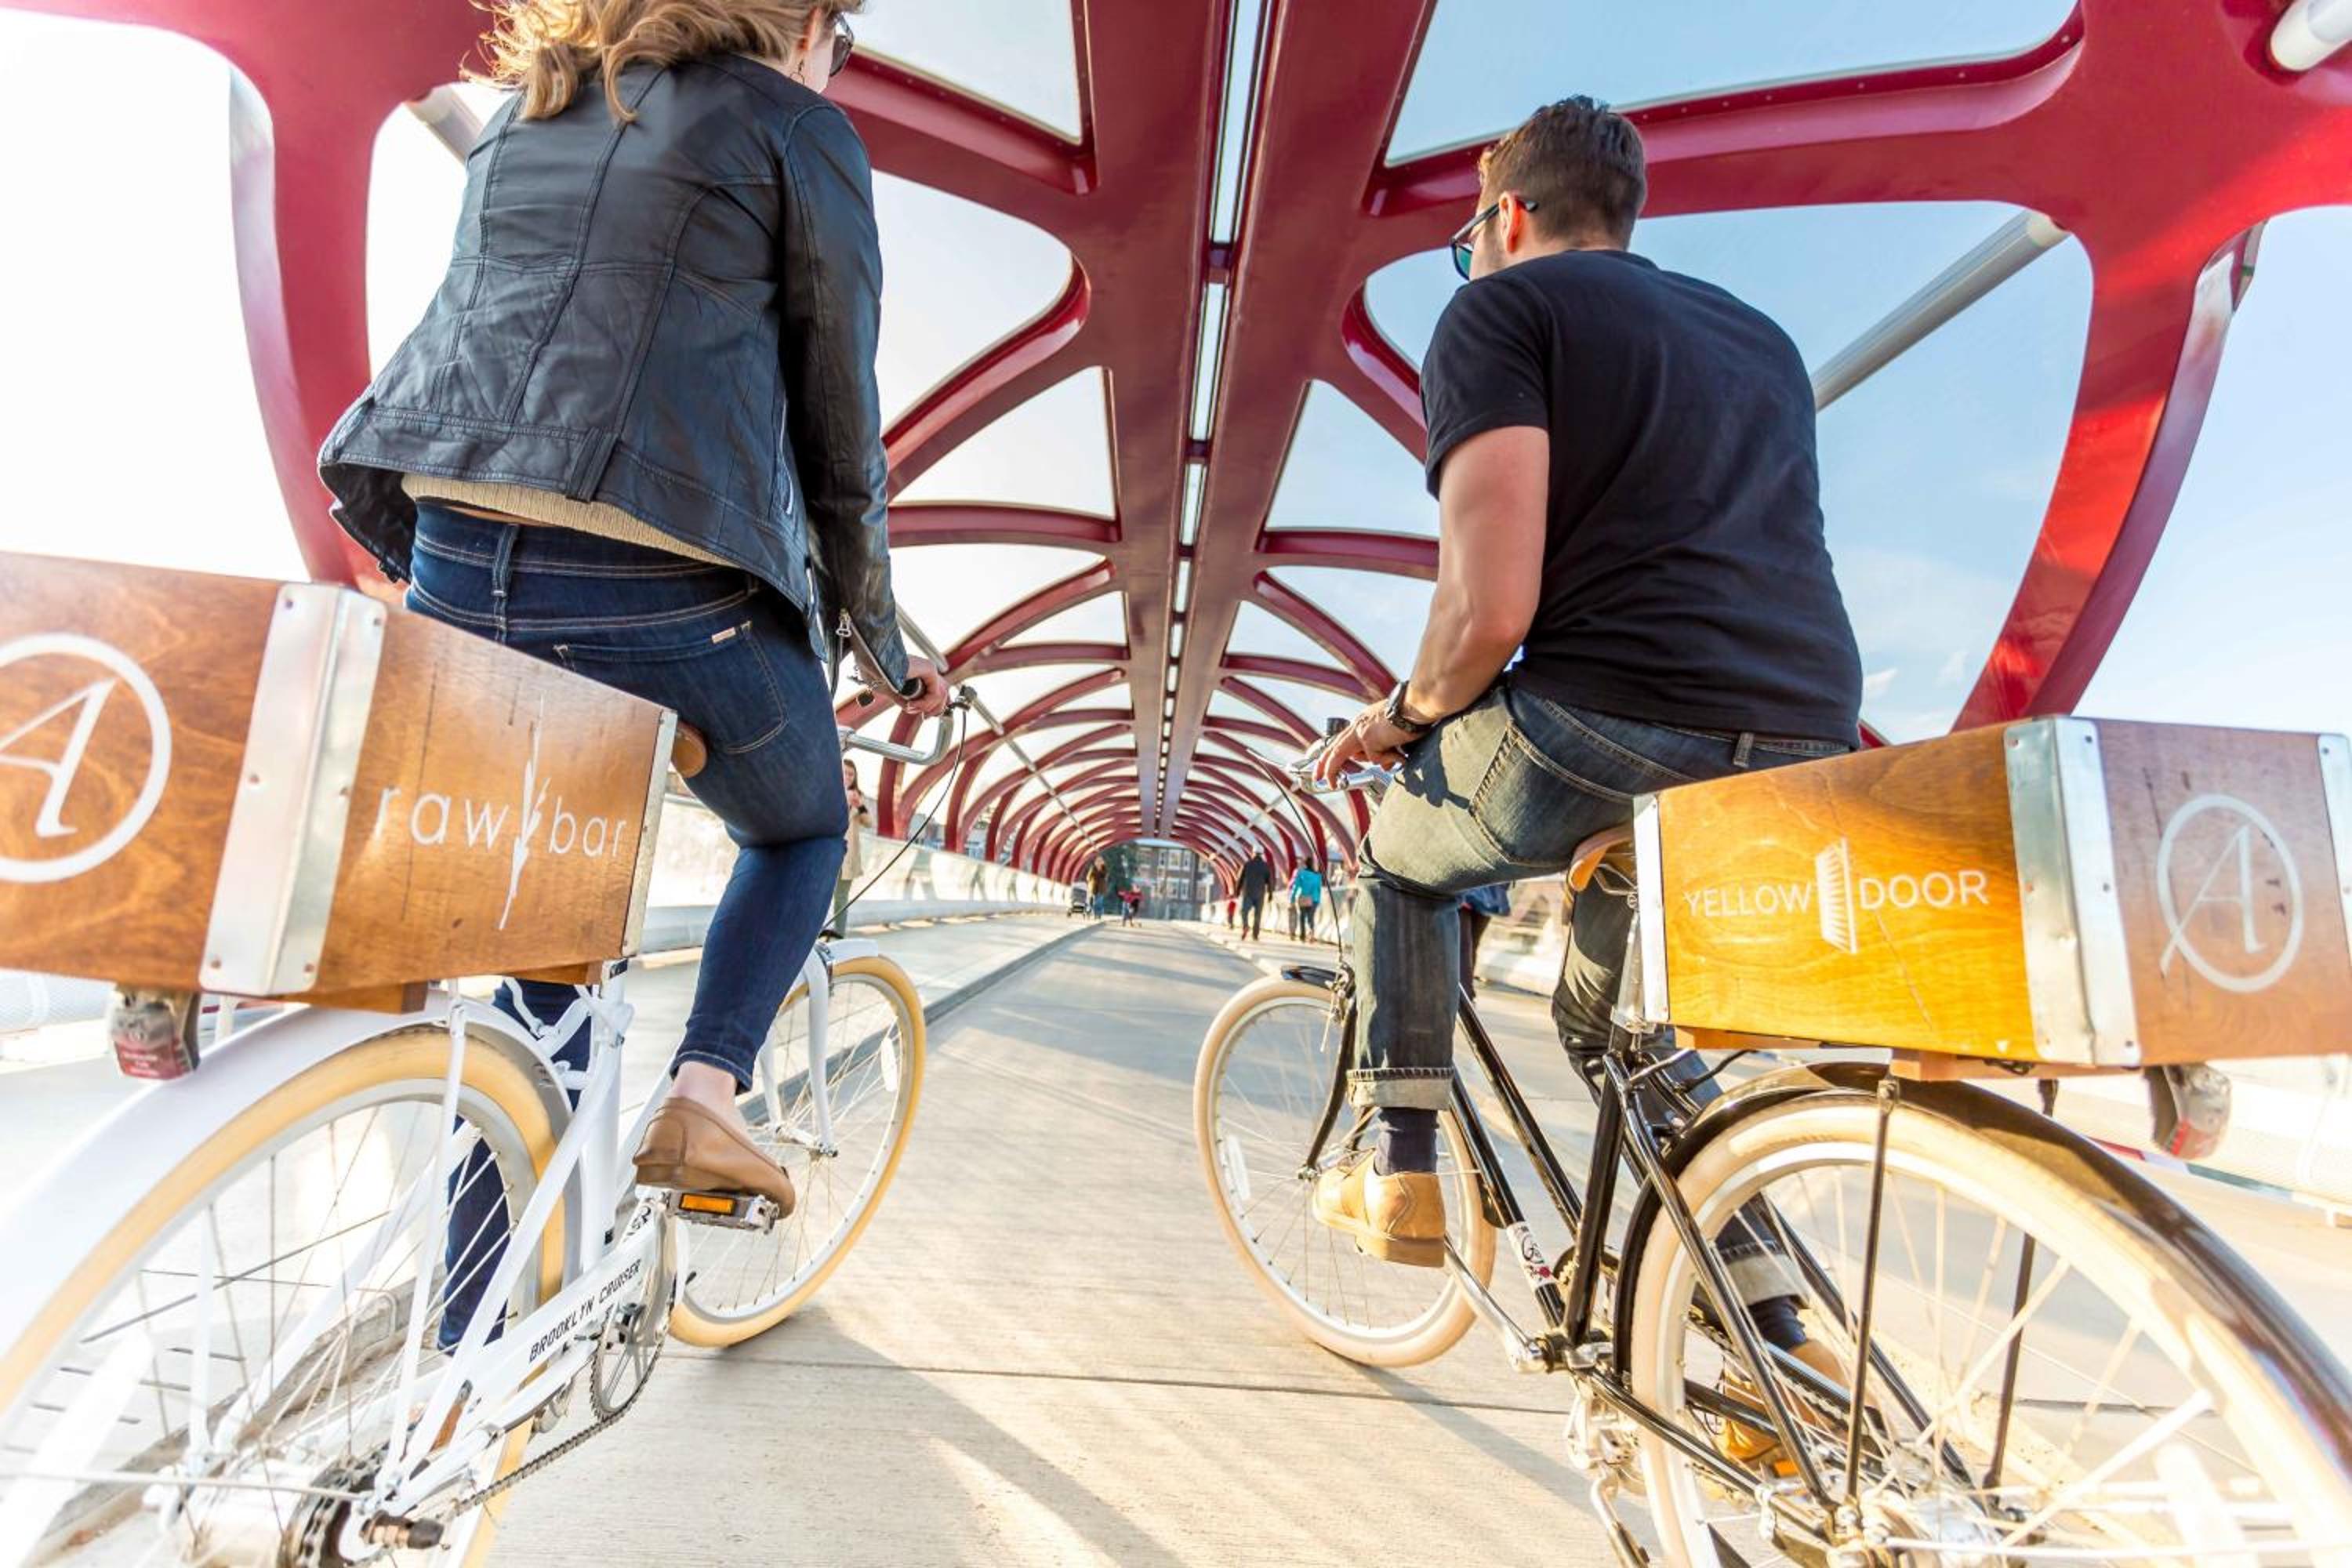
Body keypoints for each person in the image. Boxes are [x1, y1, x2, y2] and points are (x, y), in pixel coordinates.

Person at [318, 0, 948, 1339]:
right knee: (804, 830)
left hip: (456, 564)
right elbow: (839, 431)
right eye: (843, 35)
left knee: (551, 939)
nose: (839, 60)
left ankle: (475, 1343)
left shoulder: (530, 107)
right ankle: (705, 1095)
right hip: (651, 584)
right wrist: (883, 643)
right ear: (805, 22)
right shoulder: (797, 127)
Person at [1309, 98, 1860, 1387]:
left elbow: (1486, 612)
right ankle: (1773, 1339)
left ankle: (1401, 1170)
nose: (1470, 261)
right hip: (1803, 742)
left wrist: (1396, 721)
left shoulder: (1502, 311)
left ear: (1506, 217)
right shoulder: (1761, 339)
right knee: (1622, 1033)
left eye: (1468, 240)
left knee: (1398, 864)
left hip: (1607, 719)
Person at [834, 759, 873, 932]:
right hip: (830, 851)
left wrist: (859, 805)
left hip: (848, 856)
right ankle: (814, 933)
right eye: (845, 772)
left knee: (841, 898)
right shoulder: (831, 792)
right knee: (821, 895)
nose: (848, 777)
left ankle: (839, 934)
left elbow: (869, 823)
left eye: (851, 774)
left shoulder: (859, 797)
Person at [1457, 882, 1512, 997]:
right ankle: (1466, 994)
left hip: (1477, 893)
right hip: (1482, 894)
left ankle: (1464, 995)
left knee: (1467, 946)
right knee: (1467, 945)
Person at [1236, 849, 1273, 941]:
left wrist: (1237, 891)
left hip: (1248, 892)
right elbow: (1269, 881)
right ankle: (1255, 935)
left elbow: (1240, 879)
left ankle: (1245, 926)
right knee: (1258, 914)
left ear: (1253, 853)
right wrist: (1270, 894)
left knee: (1244, 911)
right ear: (1262, 854)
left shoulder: (1247, 864)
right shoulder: (1266, 866)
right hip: (1260, 893)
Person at [1289, 859, 1324, 941]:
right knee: (1311, 917)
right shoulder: (1318, 876)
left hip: (1304, 897)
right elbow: (1319, 889)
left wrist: (1292, 898)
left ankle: (1303, 935)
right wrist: (1318, 900)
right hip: (1314, 899)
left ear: (1305, 864)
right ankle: (1311, 933)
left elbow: (1296, 886)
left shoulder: (1301, 873)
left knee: (1302, 917)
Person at [1085, 855, 1110, 920]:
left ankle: (1098, 914)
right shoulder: (1093, 868)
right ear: (1095, 862)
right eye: (1098, 861)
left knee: (1099, 902)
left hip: (1101, 889)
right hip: (1093, 888)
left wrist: (1101, 870)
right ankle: (1091, 913)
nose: (1099, 862)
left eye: (1100, 861)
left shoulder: (1105, 869)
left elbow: (1106, 877)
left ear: (1103, 862)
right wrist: (1091, 881)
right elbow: (1088, 877)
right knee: (1092, 902)